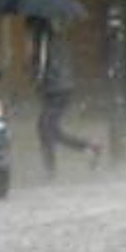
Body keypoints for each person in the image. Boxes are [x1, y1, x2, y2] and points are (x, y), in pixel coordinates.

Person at [25, 16, 102, 176]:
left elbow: (42, 65)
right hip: (59, 87)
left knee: (45, 127)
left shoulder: (43, 39)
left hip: (56, 88)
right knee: (50, 129)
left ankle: (51, 169)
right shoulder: (53, 36)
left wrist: (35, 76)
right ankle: (89, 148)